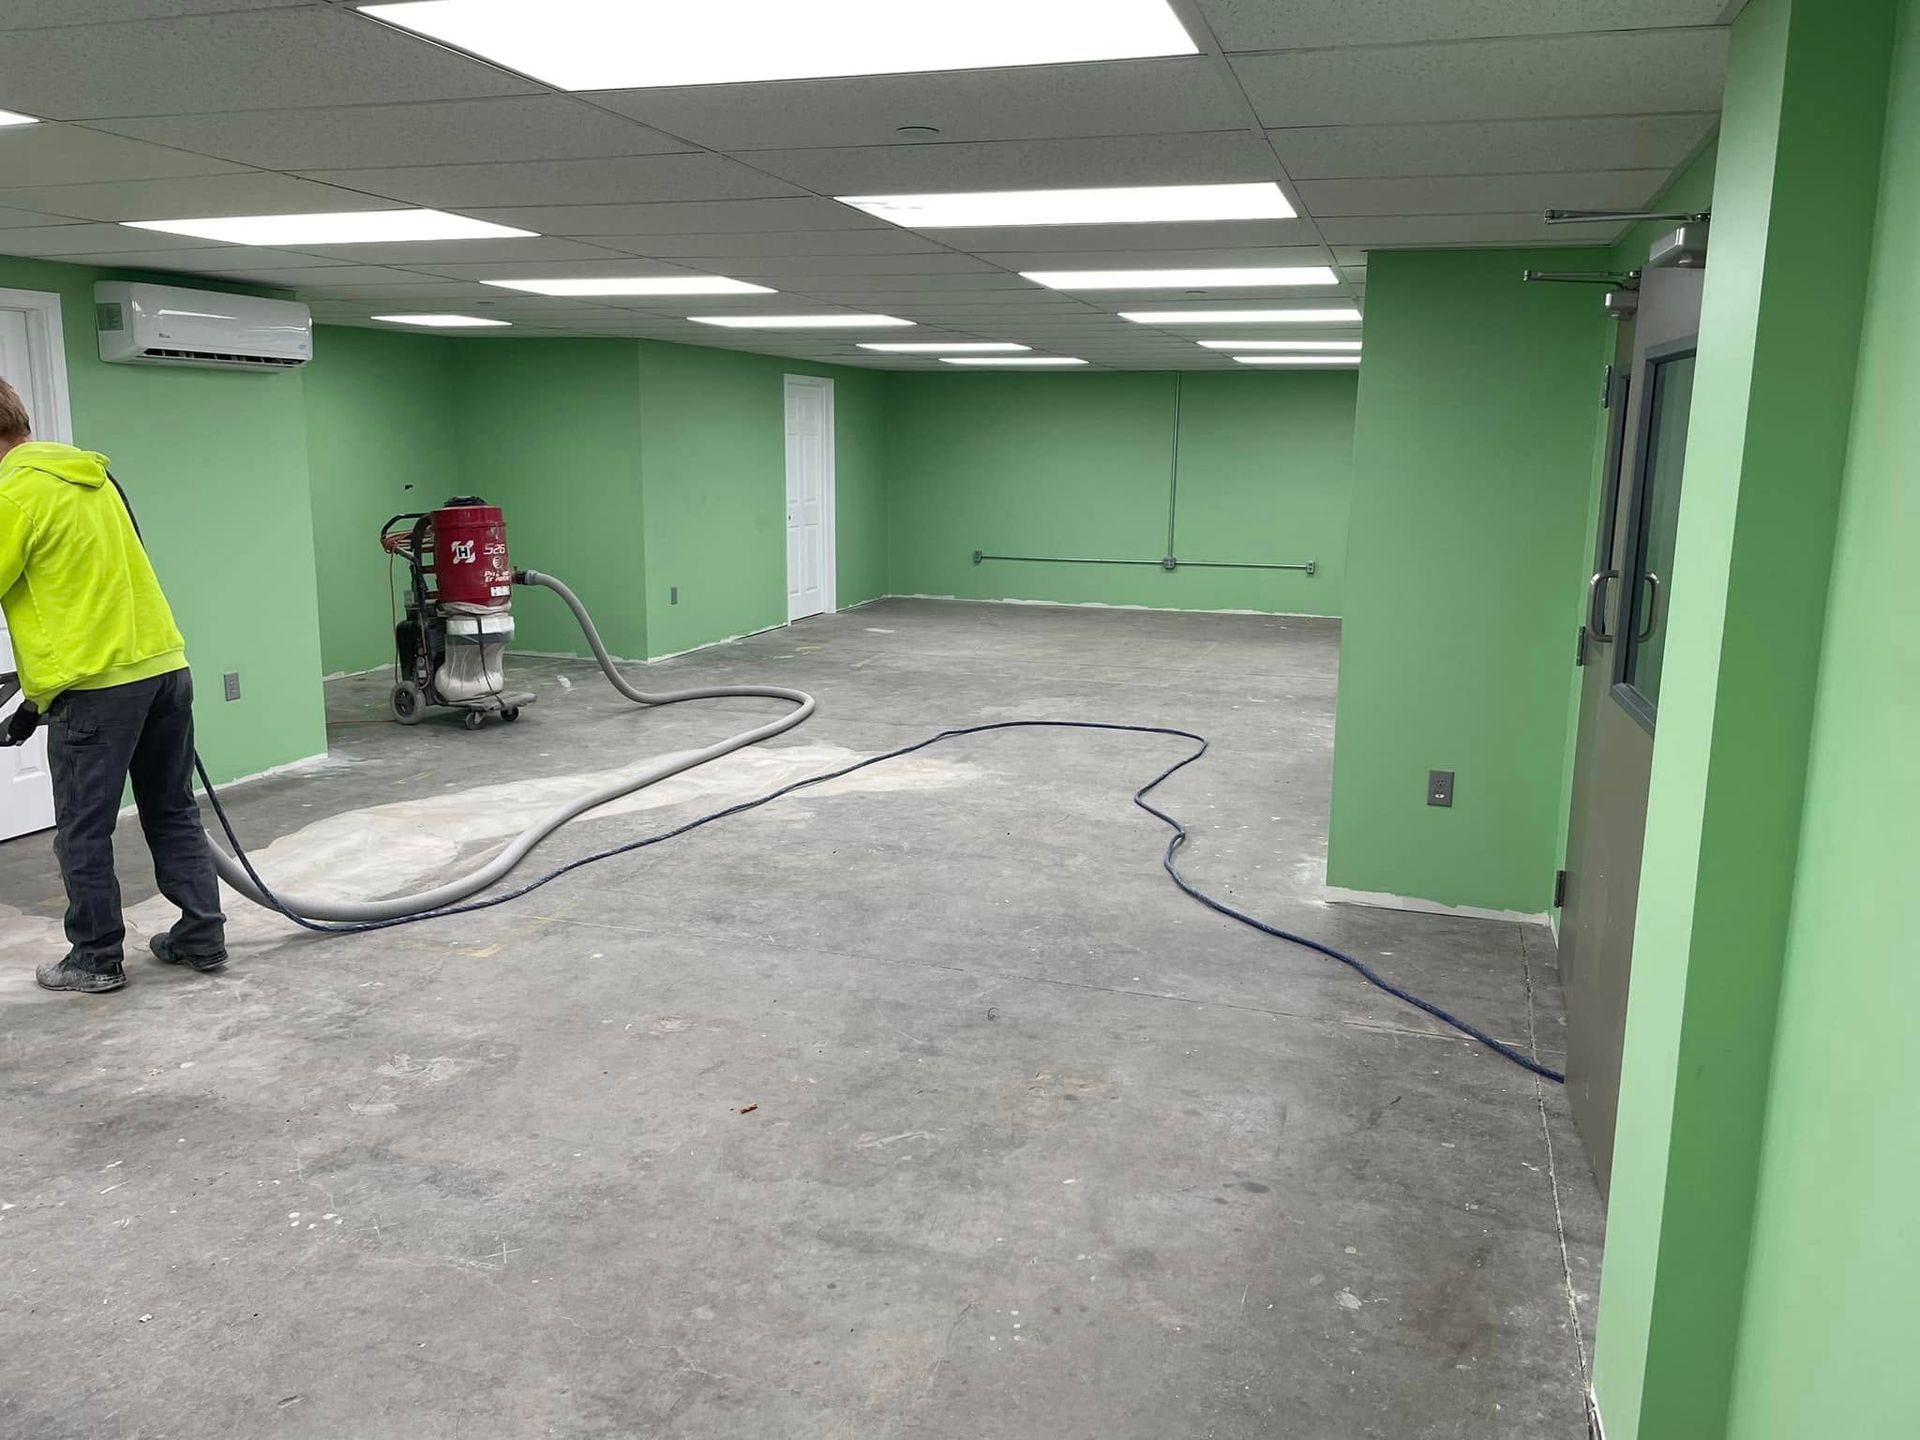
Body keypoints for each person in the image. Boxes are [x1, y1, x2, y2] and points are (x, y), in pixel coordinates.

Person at [0, 376, 226, 993]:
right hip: (161, 668)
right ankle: (201, 934)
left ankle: (96, 958)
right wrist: (31, 692)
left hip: (97, 689)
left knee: (83, 829)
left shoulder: (14, 496)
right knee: (171, 806)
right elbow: (77, 594)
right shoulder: (90, 480)